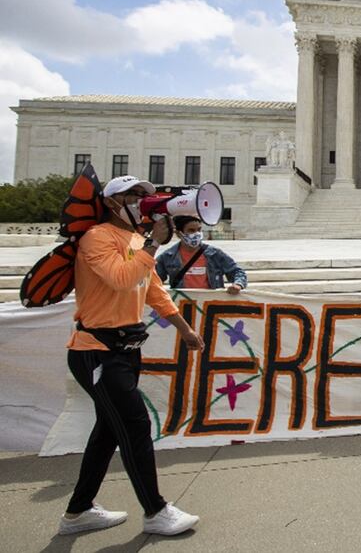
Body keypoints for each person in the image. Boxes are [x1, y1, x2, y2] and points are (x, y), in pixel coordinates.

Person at [59, 176, 203, 537]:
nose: (142, 200)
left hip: (124, 350)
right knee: (135, 424)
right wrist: (153, 243)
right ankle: (155, 510)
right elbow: (121, 278)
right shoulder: (97, 238)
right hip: (95, 352)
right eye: (133, 195)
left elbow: (154, 292)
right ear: (112, 202)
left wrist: (185, 329)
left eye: (145, 194)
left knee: (108, 431)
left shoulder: (136, 241)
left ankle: (78, 512)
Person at [155, 215, 247, 293]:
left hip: (210, 303)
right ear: (179, 234)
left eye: (199, 230)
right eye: (191, 230)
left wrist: (238, 284)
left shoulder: (214, 254)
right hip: (182, 304)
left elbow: (237, 272)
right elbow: (153, 278)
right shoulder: (167, 256)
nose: (196, 234)